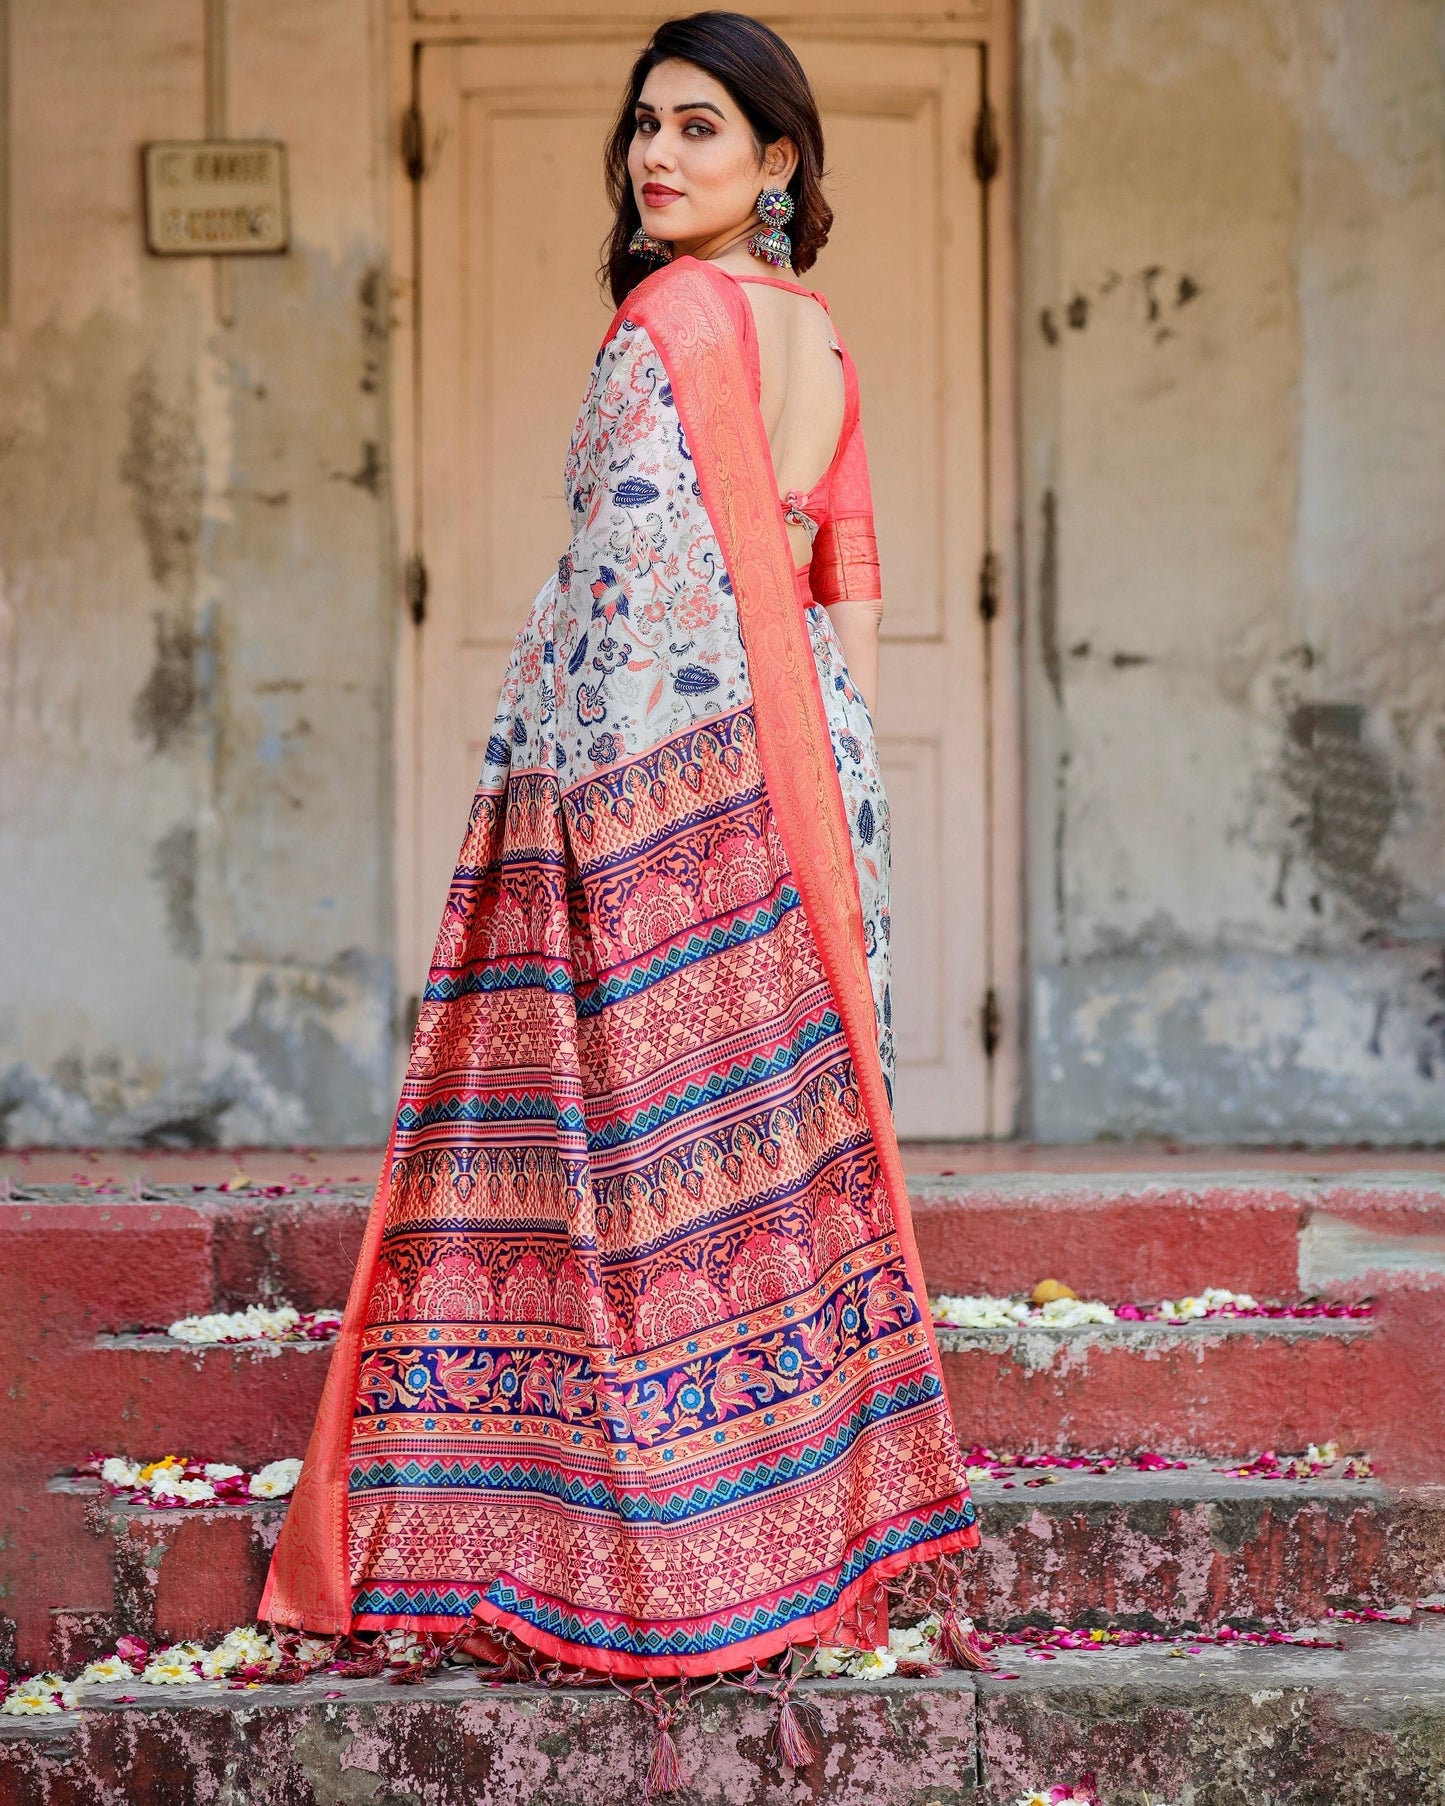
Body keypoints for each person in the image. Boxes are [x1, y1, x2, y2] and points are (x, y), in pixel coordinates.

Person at [262, 9, 981, 1782]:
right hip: (805, 775)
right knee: (767, 1177)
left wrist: (571, 815)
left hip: (661, 784)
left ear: (779, 161)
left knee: (645, 1178)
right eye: (645, 127)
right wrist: (838, 803)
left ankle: (654, 1560)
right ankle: (795, 1537)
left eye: (702, 130)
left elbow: (624, 592)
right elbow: (846, 585)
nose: (659, 157)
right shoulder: (819, 335)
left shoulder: (664, 322)